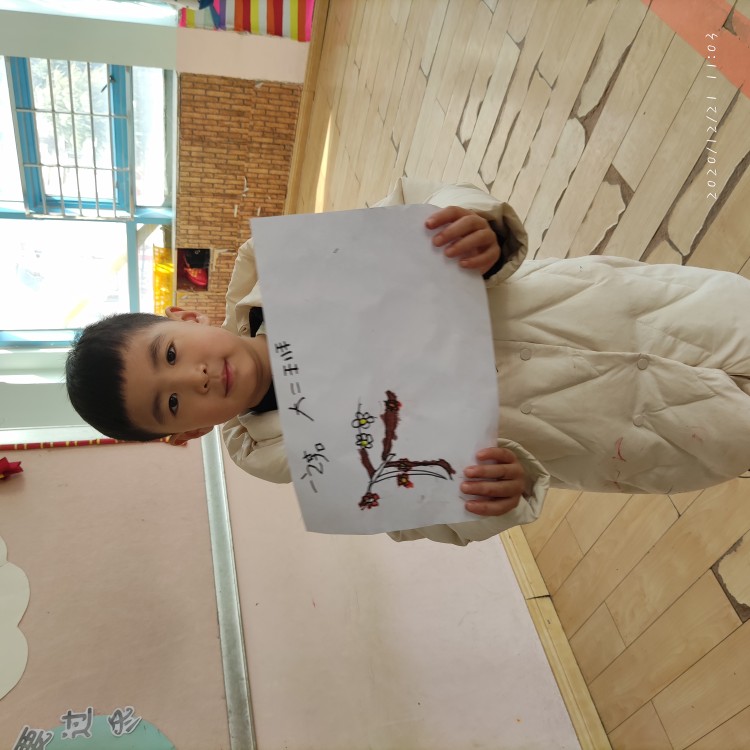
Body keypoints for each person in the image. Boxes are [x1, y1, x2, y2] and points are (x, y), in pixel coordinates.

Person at [66, 178, 750, 545]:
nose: (193, 377)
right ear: (187, 433)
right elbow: (427, 514)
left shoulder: (292, 270)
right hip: (621, 435)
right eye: (172, 403)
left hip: (625, 310)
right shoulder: (290, 459)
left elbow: (425, 203)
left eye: (171, 353)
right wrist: (494, 499)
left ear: (182, 317)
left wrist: (474, 223)